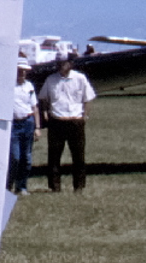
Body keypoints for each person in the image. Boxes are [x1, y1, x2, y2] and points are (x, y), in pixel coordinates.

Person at [39, 57, 97, 193]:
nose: (60, 65)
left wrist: (85, 116)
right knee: (54, 156)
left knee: (78, 156)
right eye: (58, 63)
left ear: (70, 64)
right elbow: (43, 98)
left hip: (75, 120)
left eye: (64, 63)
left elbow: (88, 98)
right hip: (57, 120)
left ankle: (79, 186)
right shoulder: (51, 79)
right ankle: (55, 187)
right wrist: (46, 112)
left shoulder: (80, 78)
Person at [7, 60, 41, 194]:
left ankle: (22, 186)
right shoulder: (10, 87)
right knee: (15, 157)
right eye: (19, 70)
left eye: (24, 71)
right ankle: (8, 185)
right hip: (14, 124)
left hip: (28, 122)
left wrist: (37, 127)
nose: (22, 73)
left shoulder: (29, 86)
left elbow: (34, 107)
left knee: (26, 157)